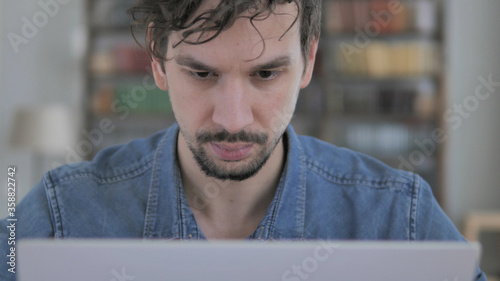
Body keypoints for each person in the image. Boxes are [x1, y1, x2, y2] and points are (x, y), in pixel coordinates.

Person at [0, 0, 486, 280]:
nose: (232, 118)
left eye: (267, 73)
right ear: (156, 58)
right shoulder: (61, 213)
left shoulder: (399, 218)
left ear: (309, 61)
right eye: (201, 72)